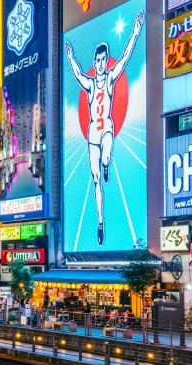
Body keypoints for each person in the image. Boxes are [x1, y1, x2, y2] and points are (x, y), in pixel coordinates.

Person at [64, 10, 144, 246]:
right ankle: (100, 222)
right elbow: (78, 74)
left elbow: (126, 57)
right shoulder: (90, 84)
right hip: (92, 134)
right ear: (94, 62)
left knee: (106, 155)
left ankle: (107, 163)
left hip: (106, 127)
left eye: (103, 60)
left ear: (106, 59)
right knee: (96, 179)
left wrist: (136, 31)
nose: (100, 64)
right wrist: (70, 57)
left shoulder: (109, 78)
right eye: (97, 61)